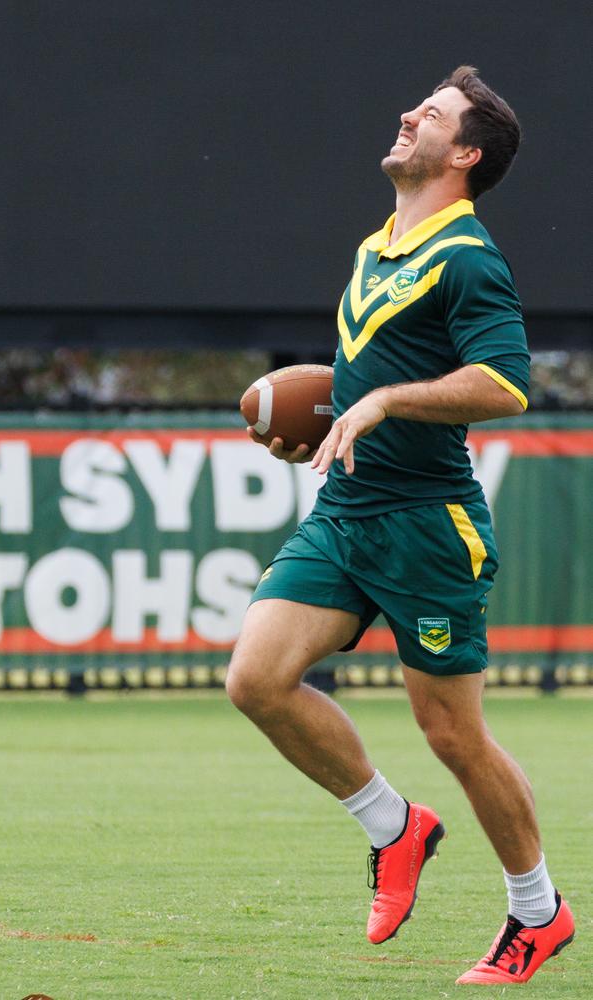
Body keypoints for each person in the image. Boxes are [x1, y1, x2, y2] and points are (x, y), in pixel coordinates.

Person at [226, 66, 574, 985]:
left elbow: (504, 383)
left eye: (434, 114)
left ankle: (538, 915)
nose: (409, 114)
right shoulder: (377, 244)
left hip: (428, 522)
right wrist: (329, 416)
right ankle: (396, 827)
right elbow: (371, 368)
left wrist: (383, 400)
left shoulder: (469, 256)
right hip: (346, 508)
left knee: (454, 737)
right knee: (256, 681)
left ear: (464, 154)